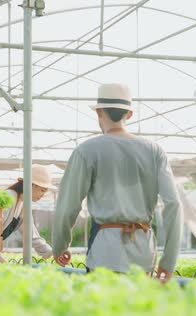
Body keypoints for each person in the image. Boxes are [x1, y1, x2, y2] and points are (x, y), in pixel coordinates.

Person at [51, 83, 182, 283]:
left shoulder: (86, 151)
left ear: (99, 112)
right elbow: (173, 203)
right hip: (143, 253)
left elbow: (68, 205)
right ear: (129, 115)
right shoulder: (155, 151)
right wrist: (169, 260)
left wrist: (60, 246)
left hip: (105, 253)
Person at [0, 164, 54, 264]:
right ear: (32, 185)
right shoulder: (9, 198)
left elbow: (31, 235)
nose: (43, 195)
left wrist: (53, 253)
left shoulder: (23, 204)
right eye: (42, 190)